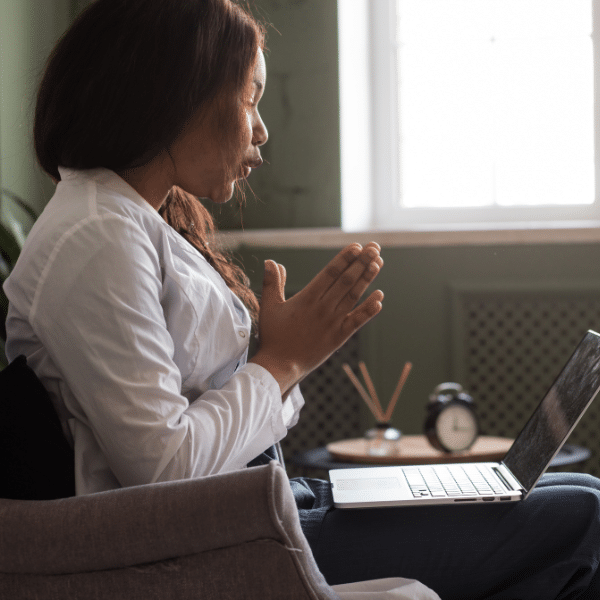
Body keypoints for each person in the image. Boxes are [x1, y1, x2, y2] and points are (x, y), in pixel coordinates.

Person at [3, 1, 600, 598]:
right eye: (249, 98)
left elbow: (224, 423)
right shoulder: (96, 235)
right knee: (585, 519)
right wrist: (281, 362)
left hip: (260, 513)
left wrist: (274, 361)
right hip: (201, 549)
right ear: (177, 94)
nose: (261, 128)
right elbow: (165, 471)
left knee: (579, 498)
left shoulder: (131, 222)